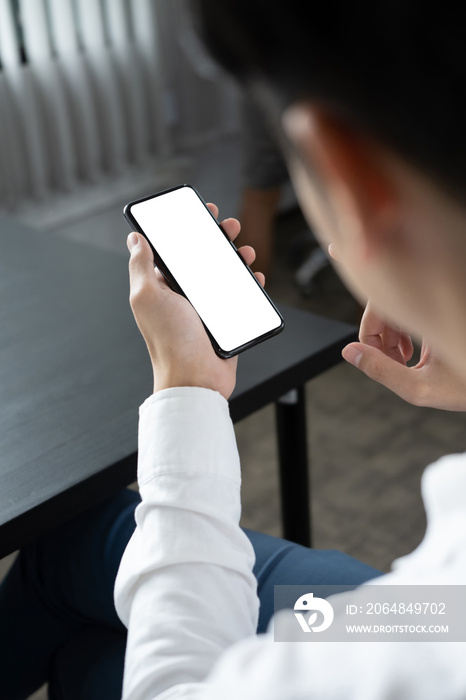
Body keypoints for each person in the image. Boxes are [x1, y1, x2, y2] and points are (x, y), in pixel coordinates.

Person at [3, 1, 466, 698]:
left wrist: (187, 386)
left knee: (80, 591)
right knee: (88, 645)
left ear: (349, 178)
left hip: (435, 620)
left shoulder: (400, 664)